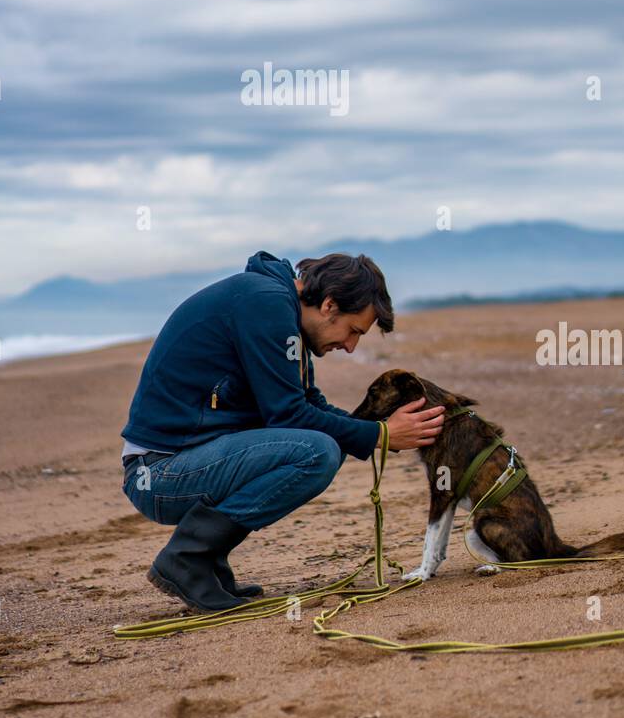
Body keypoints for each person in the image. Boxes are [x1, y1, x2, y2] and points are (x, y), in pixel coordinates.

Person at [121, 250, 445, 611]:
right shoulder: (266, 305)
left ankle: (207, 560)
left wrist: (377, 430)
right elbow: (288, 416)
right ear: (328, 305)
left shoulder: (279, 309)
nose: (351, 347)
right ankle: (187, 557)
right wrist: (380, 435)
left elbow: (309, 405)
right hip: (159, 472)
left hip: (188, 461)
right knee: (317, 452)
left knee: (329, 446)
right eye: (353, 330)